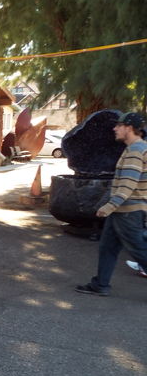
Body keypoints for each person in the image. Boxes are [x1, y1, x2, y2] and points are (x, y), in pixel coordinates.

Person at [75, 112, 147, 296]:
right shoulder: (135, 148)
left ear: (129, 128)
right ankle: (100, 285)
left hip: (128, 211)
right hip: (123, 210)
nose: (115, 128)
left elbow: (127, 184)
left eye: (119, 125)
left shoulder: (136, 150)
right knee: (107, 247)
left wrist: (109, 206)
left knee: (139, 250)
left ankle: (100, 284)